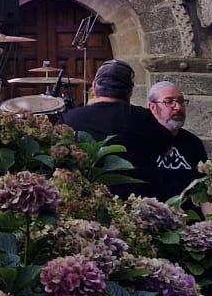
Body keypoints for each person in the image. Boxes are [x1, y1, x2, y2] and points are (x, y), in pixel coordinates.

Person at [57, 59, 175, 199]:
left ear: (94, 87)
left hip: (86, 202)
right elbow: (166, 146)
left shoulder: (69, 119)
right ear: (130, 92)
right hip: (137, 203)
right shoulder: (144, 118)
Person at [145, 79, 210, 200]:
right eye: (169, 102)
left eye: (181, 101)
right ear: (153, 107)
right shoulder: (141, 140)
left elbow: (205, 188)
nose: (178, 107)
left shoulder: (193, 143)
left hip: (188, 211)